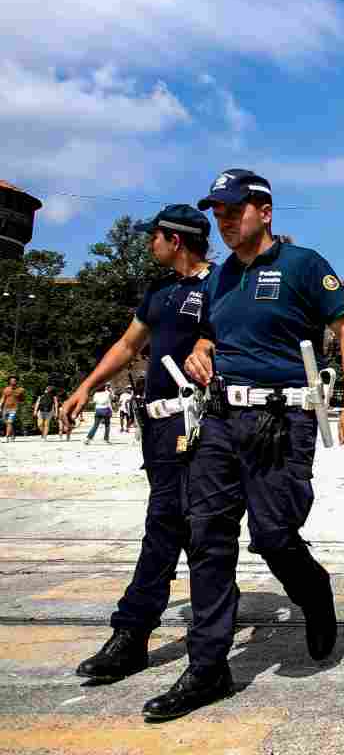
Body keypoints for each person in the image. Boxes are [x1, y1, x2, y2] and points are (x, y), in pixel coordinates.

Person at [164, 168, 344, 722]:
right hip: (222, 420)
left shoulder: (303, 266)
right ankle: (207, 667)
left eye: (234, 210)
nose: (224, 221)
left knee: (275, 534)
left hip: (281, 421)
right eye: (218, 213)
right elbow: (211, 333)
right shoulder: (218, 278)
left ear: (266, 211)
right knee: (206, 536)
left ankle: (313, 589)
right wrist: (199, 351)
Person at [60, 204, 212, 688]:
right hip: (158, 430)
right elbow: (128, 346)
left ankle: (136, 633)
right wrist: (86, 385)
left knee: (180, 525)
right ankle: (166, 633)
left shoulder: (221, 285)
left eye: (156, 236)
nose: (151, 243)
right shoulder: (160, 291)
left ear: (177, 240)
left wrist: (207, 344)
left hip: (203, 423)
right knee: (173, 524)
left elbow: (242, 336)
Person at [2, 376, 24, 442]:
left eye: (14, 380)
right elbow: (3, 398)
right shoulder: (6, 389)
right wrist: (0, 406)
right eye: (11, 380)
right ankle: (13, 434)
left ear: (16, 382)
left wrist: (19, 399)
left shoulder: (21, 390)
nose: (13, 382)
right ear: (9, 381)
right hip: (5, 408)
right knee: (7, 423)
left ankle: (7, 437)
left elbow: (22, 399)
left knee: (10, 422)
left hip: (14, 408)